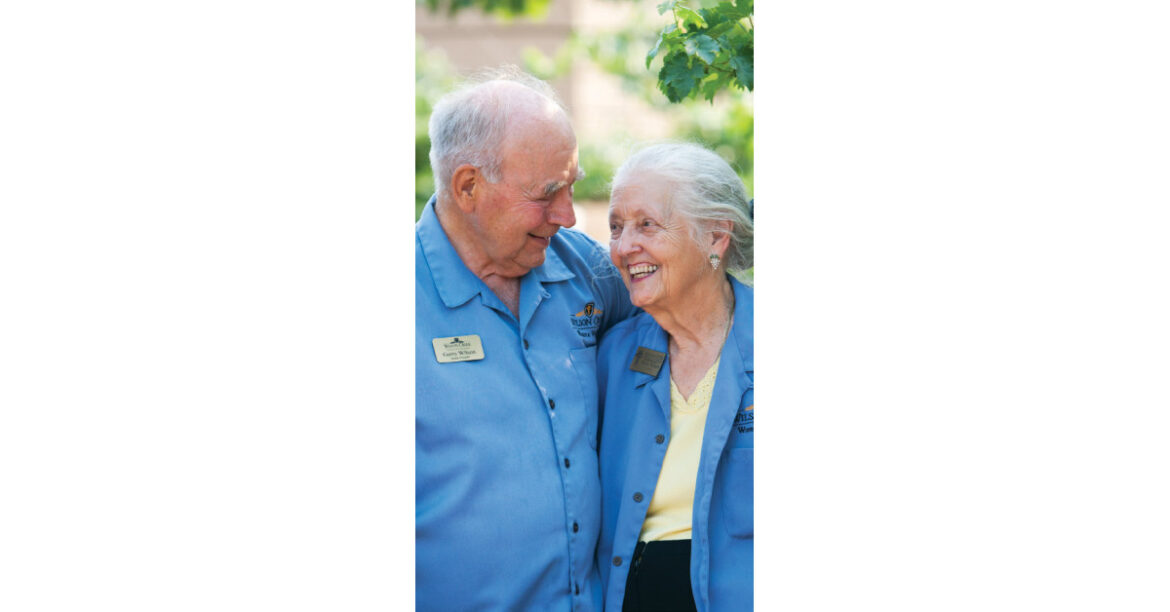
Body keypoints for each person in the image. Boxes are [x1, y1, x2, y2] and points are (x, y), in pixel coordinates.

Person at [415, 67, 636, 611]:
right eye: (547, 194)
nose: (567, 215)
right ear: (468, 186)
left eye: (573, 185)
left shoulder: (587, 271)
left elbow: (687, 326)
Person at [596, 142, 754, 612]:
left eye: (647, 225)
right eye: (616, 227)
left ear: (715, 237)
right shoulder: (613, 357)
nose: (624, 248)